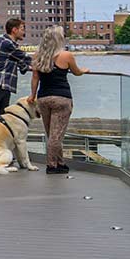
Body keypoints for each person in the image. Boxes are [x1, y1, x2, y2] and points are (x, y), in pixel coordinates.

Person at [28, 24, 90, 174]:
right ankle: (51, 165)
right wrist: (84, 70)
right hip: (62, 98)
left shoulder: (38, 56)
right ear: (59, 39)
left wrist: (33, 95)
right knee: (57, 134)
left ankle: (60, 163)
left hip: (43, 98)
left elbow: (35, 77)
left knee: (52, 133)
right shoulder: (66, 55)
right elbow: (76, 72)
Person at [0, 18, 30, 120]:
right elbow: (25, 58)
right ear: (14, 30)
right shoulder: (6, 43)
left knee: (0, 116)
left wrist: (26, 66)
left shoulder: (1, 42)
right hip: (0, 85)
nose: (23, 32)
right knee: (1, 118)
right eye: (22, 29)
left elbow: (21, 63)